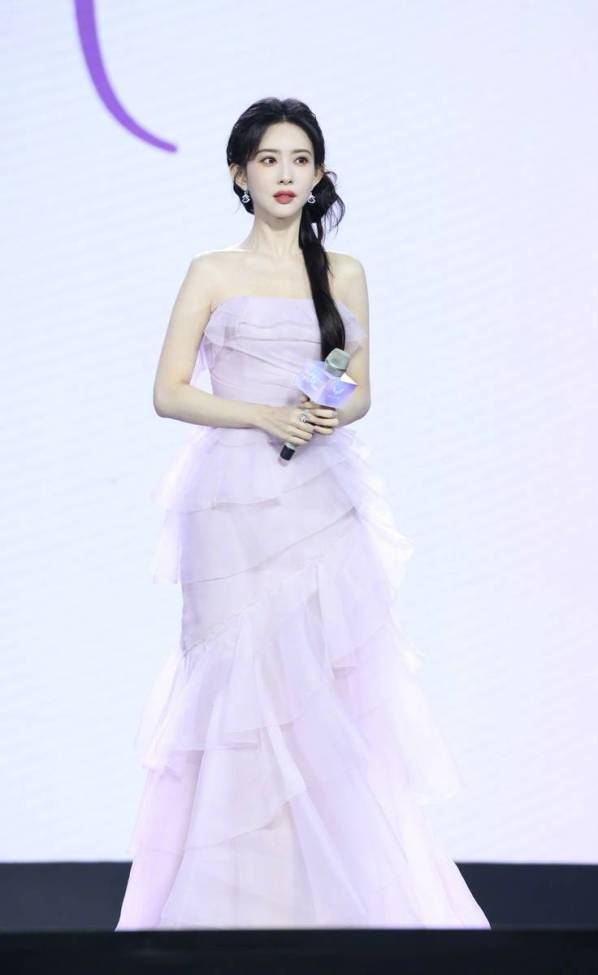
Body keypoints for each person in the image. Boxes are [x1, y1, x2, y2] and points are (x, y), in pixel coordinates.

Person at [115, 96, 491, 930]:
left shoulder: (343, 273)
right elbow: (168, 391)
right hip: (232, 507)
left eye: (299, 160)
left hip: (321, 500)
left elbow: (360, 389)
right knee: (237, 694)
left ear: (319, 173)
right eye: (268, 159)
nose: (284, 175)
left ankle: (325, 915)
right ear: (239, 175)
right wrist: (263, 415)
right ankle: (228, 914)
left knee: (325, 696)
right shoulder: (211, 271)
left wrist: (326, 411)